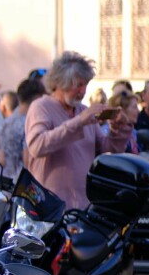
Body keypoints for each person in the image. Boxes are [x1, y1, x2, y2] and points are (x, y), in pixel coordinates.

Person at [25, 51, 133, 210]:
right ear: (61, 82)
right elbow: (37, 146)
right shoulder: (41, 107)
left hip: (83, 206)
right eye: (78, 85)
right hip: (48, 207)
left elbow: (106, 151)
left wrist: (118, 130)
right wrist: (78, 122)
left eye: (86, 85)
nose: (83, 91)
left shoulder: (83, 111)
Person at [0, 77, 45, 180]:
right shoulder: (29, 123)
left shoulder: (7, 121)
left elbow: (1, 158)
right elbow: (27, 159)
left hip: (6, 180)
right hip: (23, 184)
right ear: (37, 98)